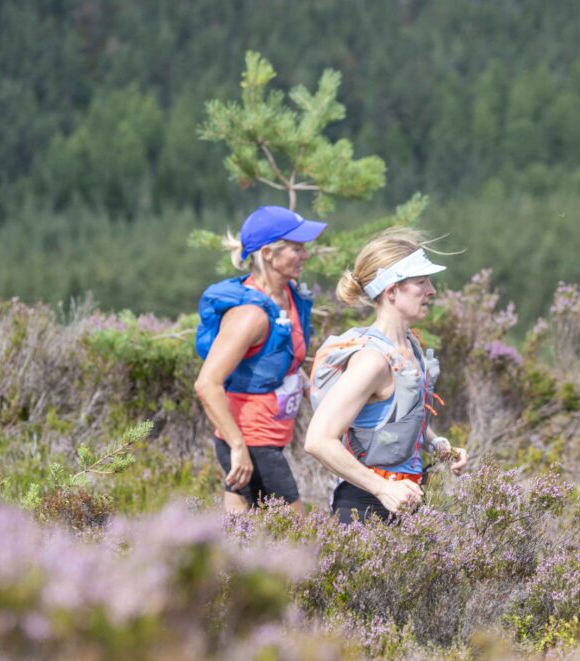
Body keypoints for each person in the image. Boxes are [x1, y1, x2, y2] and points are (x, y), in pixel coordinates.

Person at [305, 228, 469, 523]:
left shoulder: (411, 346)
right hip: (364, 507)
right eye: (421, 282)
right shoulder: (372, 360)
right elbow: (318, 440)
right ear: (391, 291)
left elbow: (398, 418)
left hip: (405, 499)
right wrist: (382, 488)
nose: (432, 290)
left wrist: (439, 446)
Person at [194, 205, 326, 513]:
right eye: (297, 248)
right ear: (268, 254)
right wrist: (238, 447)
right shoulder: (249, 316)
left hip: (271, 435)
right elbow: (207, 384)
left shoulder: (290, 295)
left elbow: (284, 363)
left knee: (242, 530)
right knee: (296, 532)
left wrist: (320, 398)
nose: (306, 255)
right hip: (250, 440)